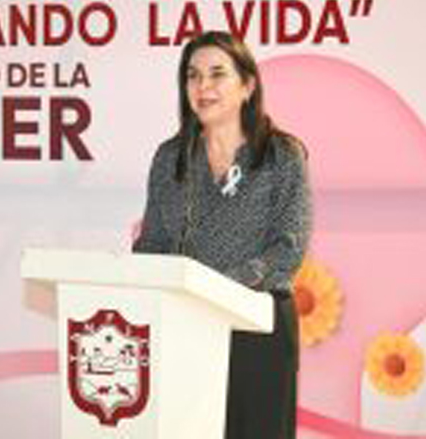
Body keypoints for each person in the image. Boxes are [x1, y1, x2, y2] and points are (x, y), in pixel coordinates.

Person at [132, 30, 311, 439]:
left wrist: (217, 290)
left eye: (217, 74)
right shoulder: (170, 158)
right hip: (186, 327)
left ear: (247, 86)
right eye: (192, 76)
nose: (203, 86)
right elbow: (152, 243)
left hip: (257, 329)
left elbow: (289, 246)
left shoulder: (282, 155)